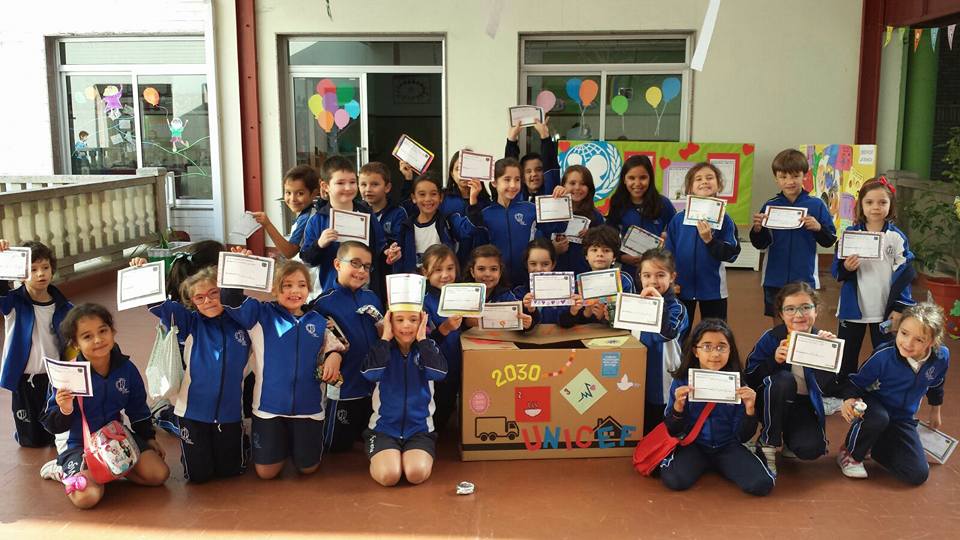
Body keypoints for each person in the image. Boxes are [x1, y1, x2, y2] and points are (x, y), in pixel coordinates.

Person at [224, 260, 345, 479]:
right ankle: (277, 446)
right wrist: (239, 266)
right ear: (274, 289)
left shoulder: (319, 321)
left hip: (309, 408)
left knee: (307, 468)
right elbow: (229, 300)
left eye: (301, 285)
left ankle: (294, 446)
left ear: (309, 289)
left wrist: (335, 356)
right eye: (287, 285)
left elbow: (338, 345)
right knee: (266, 473)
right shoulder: (260, 314)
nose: (295, 291)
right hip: (269, 407)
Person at [134, 259, 251, 483]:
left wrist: (241, 263)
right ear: (192, 302)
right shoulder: (189, 323)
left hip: (229, 412)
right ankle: (164, 414)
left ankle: (240, 440)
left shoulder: (242, 322)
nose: (208, 301)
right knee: (198, 476)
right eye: (199, 297)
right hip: (193, 412)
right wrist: (143, 272)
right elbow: (158, 305)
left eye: (214, 293)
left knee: (231, 471)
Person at [41, 304, 169, 509]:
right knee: (88, 497)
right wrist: (65, 408)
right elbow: (51, 424)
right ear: (75, 343)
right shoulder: (68, 374)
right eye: (87, 336)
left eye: (103, 331)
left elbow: (137, 407)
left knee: (158, 474)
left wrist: (148, 437)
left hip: (114, 437)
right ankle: (61, 470)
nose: (98, 340)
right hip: (78, 444)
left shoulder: (126, 368)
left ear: (113, 331)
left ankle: (109, 470)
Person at [836, 302, 949, 485]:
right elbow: (855, 382)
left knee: (917, 475)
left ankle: (875, 446)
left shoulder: (941, 357)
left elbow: (937, 383)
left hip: (903, 417)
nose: (908, 343)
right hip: (874, 410)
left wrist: (935, 410)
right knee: (879, 418)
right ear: (898, 329)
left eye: (919, 340)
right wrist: (848, 400)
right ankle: (850, 453)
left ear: (932, 341)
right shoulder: (883, 355)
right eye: (904, 333)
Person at [659, 319, 774, 496]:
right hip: (694, 445)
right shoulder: (682, 382)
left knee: (762, 484)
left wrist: (750, 410)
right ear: (695, 351)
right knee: (674, 479)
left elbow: (744, 435)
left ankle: (729, 462)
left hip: (727, 446)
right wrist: (678, 408)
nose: (714, 354)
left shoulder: (738, 384)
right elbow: (672, 430)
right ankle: (705, 464)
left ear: (730, 350)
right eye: (707, 347)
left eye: (721, 347)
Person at [745, 282, 837, 476]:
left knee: (811, 449)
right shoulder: (772, 338)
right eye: (790, 309)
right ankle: (767, 443)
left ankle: (790, 437)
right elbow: (750, 377)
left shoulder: (823, 341)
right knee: (784, 379)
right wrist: (773, 360)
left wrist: (829, 357)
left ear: (816, 310)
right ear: (781, 314)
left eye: (805, 307)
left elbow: (828, 388)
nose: (798, 315)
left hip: (802, 404)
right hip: (770, 401)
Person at [831, 177, 914, 388]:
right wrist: (847, 267)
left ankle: (885, 388)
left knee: (885, 352)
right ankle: (846, 389)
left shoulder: (896, 238)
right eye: (869, 202)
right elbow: (837, 271)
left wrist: (899, 308)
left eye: (882, 202)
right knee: (847, 352)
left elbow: (905, 274)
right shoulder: (849, 235)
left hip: (884, 308)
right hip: (853, 307)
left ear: (890, 205)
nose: (876, 207)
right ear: (861, 205)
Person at [313, 241, 386, 452]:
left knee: (369, 441)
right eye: (355, 263)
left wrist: (382, 324)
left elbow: (383, 336)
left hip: (372, 385)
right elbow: (317, 341)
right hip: (344, 386)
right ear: (337, 264)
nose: (361, 271)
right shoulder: (323, 302)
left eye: (367, 266)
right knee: (335, 447)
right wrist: (333, 353)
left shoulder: (372, 298)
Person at [0, 240, 73, 448]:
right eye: (33, 269)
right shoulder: (12, 302)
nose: (41, 274)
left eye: (45, 267)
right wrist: (2, 256)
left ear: (52, 269)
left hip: (53, 379)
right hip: (23, 378)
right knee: (31, 441)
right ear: (21, 275)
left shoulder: (65, 306)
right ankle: (24, 432)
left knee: (54, 435)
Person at [361, 309, 447, 486]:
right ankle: (386, 457)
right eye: (399, 320)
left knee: (416, 474)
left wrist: (423, 339)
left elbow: (439, 374)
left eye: (413, 320)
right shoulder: (381, 347)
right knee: (389, 476)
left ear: (421, 322)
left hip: (419, 430)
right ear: (390, 322)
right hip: (384, 429)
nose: (406, 325)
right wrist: (385, 338)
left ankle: (404, 457)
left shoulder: (427, 347)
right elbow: (370, 374)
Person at [750, 149, 837, 320]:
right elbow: (760, 244)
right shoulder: (770, 206)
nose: (789, 182)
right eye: (783, 177)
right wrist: (758, 229)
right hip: (774, 278)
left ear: (805, 176)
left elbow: (830, 240)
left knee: (803, 321)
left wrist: (819, 228)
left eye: (795, 176)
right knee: (779, 323)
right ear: (776, 178)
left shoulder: (816, 205)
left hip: (805, 277)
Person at [300, 155, 402, 300]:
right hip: (331, 293)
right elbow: (307, 259)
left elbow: (379, 247)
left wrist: (389, 253)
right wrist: (320, 244)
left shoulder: (367, 214)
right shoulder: (317, 220)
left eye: (352, 182)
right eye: (340, 183)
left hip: (365, 291)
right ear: (325, 186)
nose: (348, 188)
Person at [466, 158, 564, 288]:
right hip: (496, 283)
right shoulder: (485, 214)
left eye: (517, 179)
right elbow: (476, 243)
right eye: (507, 179)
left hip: (527, 280)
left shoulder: (532, 209)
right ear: (494, 182)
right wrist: (473, 199)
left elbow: (558, 227)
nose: (513, 185)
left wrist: (561, 200)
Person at [664, 163, 741, 325]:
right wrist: (670, 280)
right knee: (679, 331)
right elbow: (668, 254)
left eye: (709, 177)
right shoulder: (678, 219)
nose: (704, 181)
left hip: (713, 289)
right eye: (698, 179)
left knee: (715, 331)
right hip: (681, 288)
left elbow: (732, 254)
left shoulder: (725, 220)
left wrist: (710, 241)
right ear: (690, 188)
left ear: (719, 184)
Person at [631, 248, 688, 434]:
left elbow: (665, 334)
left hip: (663, 377)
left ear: (672, 277)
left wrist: (659, 305)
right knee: (638, 418)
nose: (653, 281)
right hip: (637, 373)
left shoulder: (677, 308)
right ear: (640, 277)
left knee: (660, 424)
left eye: (660, 275)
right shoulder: (633, 303)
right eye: (647, 275)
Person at [250, 165, 324, 299]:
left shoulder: (307, 218)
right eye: (288, 192)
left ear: (314, 193)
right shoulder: (307, 214)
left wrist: (267, 224)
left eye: (300, 193)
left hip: (309, 284)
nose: (292, 198)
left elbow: (289, 252)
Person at [606, 155, 676, 279]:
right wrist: (621, 257)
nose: (637, 183)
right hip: (628, 270)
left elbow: (676, 233)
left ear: (650, 178)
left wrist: (666, 239)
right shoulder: (617, 203)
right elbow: (609, 236)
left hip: (657, 270)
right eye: (631, 178)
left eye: (643, 178)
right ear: (624, 179)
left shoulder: (662, 203)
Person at [420, 245, 464, 433]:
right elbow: (423, 341)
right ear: (425, 272)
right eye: (438, 270)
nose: (445, 275)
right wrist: (445, 328)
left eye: (450, 268)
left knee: (448, 405)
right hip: (434, 369)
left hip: (458, 364)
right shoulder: (423, 301)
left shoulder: (462, 294)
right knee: (435, 411)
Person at [393, 175, 476, 273]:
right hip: (414, 281)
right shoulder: (405, 227)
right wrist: (393, 255)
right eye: (422, 194)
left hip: (444, 279)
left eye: (433, 194)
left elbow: (469, 229)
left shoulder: (449, 222)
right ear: (414, 198)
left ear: (441, 197)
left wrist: (473, 201)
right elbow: (398, 259)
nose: (428, 199)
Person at [560, 226, 635, 327]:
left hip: (615, 334)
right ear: (586, 256)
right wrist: (586, 313)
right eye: (594, 250)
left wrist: (605, 318)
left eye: (606, 250)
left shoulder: (624, 280)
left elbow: (631, 319)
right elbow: (566, 323)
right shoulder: (578, 283)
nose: (600, 254)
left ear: (614, 257)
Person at [461, 244, 534, 330]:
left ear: (500, 273)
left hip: (500, 338)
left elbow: (520, 322)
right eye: (481, 269)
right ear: (472, 272)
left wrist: (527, 324)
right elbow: (453, 328)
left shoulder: (506, 297)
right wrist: (466, 323)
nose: (487, 274)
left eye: (493, 269)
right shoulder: (462, 297)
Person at [553, 164, 604, 275]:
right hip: (556, 275)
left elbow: (604, 247)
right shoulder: (552, 210)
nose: (577, 188)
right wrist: (552, 249)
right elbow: (540, 241)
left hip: (585, 275)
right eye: (572, 183)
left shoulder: (596, 216)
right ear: (563, 185)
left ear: (589, 188)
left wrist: (592, 236)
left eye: (583, 184)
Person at [504, 118, 561, 201]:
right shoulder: (516, 196)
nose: (534, 174)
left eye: (539, 169)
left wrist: (544, 135)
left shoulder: (552, 192)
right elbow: (510, 168)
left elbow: (550, 167)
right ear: (522, 177)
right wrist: (511, 139)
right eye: (528, 171)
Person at [360, 161, 408, 242]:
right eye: (363, 184)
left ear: (387, 187)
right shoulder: (356, 211)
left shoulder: (398, 213)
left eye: (375, 184)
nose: (368, 189)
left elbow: (399, 243)